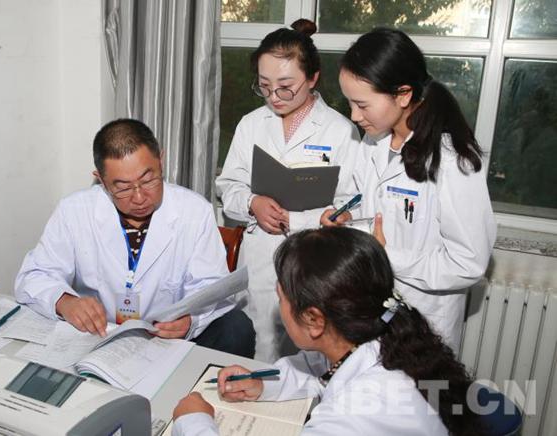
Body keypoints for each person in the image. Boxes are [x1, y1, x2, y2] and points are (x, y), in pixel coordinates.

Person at [171, 228, 486, 436]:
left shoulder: (357, 414)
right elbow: (322, 373)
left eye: (281, 298)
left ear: (314, 320)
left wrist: (194, 420)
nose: (279, 308)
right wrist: (263, 383)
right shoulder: (378, 337)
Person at [15, 118, 255, 357]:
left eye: (148, 180)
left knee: (236, 327)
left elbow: (210, 287)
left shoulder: (194, 211)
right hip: (101, 335)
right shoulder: (74, 211)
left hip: (167, 338)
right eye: (123, 188)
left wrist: (191, 321)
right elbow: (34, 276)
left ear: (161, 160)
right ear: (101, 180)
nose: (139, 198)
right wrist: (65, 302)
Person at [333, 28, 496, 353]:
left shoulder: (452, 160)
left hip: (423, 322)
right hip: (370, 309)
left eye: (362, 105)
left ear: (403, 95)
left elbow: (468, 263)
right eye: (350, 103)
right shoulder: (373, 140)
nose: (354, 116)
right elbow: (364, 199)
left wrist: (386, 256)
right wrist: (347, 216)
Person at [216, 19, 361, 362]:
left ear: (312, 78)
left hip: (314, 260)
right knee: (259, 344)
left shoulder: (341, 131)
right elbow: (228, 185)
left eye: (285, 87)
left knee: (309, 352)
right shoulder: (252, 124)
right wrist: (252, 203)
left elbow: (350, 204)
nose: (274, 97)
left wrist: (297, 219)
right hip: (260, 256)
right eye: (264, 86)